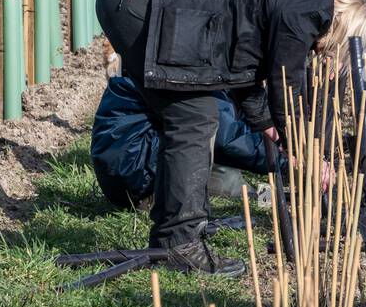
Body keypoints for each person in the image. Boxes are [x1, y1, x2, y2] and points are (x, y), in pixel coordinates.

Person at [96, 0, 366, 276]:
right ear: (341, 24)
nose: (319, 54)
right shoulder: (304, 8)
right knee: (195, 119)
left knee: (185, 118)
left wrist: (268, 125)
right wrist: (307, 154)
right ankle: (180, 241)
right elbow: (287, 86)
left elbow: (245, 76)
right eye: (330, 48)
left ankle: (172, 236)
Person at [91, 75, 268, 209]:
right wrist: (283, 161)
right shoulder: (201, 75)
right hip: (140, 178)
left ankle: (262, 195)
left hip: (128, 173)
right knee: (206, 138)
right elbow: (227, 139)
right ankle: (261, 196)